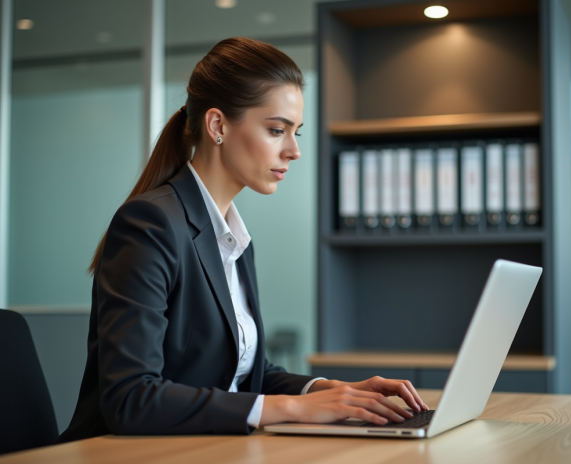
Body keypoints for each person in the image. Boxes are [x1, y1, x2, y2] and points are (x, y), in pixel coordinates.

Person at [58, 37, 427, 442]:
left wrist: (330, 392)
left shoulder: (232, 236)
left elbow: (245, 375)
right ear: (217, 125)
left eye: (296, 132)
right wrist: (292, 408)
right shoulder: (150, 224)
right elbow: (131, 398)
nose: (294, 151)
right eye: (276, 130)